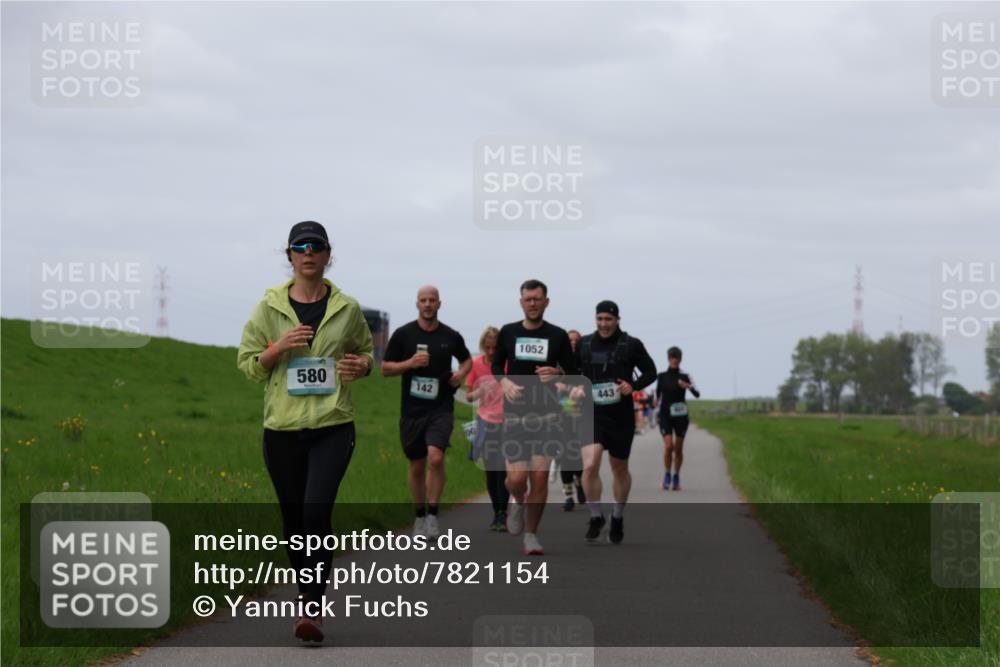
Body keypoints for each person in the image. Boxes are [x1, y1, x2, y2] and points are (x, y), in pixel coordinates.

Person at [237, 220, 374, 643]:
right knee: (295, 521)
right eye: (300, 246)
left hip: (333, 426)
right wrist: (278, 349)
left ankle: (312, 609)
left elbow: (365, 352)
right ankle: (304, 601)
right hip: (282, 428)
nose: (308, 253)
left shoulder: (347, 308)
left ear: (328, 254)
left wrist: (363, 366)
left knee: (316, 512)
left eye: (316, 246)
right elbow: (247, 365)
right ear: (290, 255)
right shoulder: (267, 309)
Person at [492, 279, 577, 555]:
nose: (532, 303)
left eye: (537, 299)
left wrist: (558, 373)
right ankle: (517, 500)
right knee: (516, 479)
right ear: (521, 302)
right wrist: (504, 382)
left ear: (546, 302)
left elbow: (575, 370)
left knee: (539, 477)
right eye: (528, 299)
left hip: (548, 417)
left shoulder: (558, 335)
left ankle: (531, 535)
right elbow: (495, 365)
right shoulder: (508, 332)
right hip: (516, 416)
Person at [382, 286, 472, 538]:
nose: (428, 304)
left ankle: (433, 515)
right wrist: (410, 363)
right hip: (412, 410)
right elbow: (385, 369)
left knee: (435, 457)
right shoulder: (403, 335)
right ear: (417, 304)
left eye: (432, 300)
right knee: (417, 464)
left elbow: (467, 360)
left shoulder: (450, 336)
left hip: (441, 408)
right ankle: (419, 515)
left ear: (439, 304)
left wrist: (460, 375)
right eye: (424, 300)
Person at [574, 301, 656, 544]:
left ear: (618, 320)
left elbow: (651, 372)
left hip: (620, 415)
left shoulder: (631, 344)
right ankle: (596, 515)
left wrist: (634, 386)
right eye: (599, 319)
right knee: (589, 466)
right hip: (592, 414)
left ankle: (618, 516)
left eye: (608, 319)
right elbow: (571, 372)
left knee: (619, 468)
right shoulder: (584, 344)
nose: (604, 324)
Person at [465, 326, 508, 530]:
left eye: (495, 348)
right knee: (491, 470)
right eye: (487, 348)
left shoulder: (506, 365)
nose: (491, 352)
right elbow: (469, 396)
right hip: (485, 420)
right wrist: (480, 390)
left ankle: (504, 513)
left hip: (507, 422)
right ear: (482, 346)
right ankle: (496, 512)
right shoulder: (476, 365)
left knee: (504, 471)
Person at [655, 346, 701, 491]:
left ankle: (676, 476)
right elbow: (657, 396)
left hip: (681, 416)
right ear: (668, 359)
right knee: (669, 446)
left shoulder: (685, 376)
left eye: (676, 358)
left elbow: (697, 393)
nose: (674, 360)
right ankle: (667, 474)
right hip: (665, 416)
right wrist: (655, 403)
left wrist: (687, 386)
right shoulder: (661, 376)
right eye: (672, 357)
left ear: (680, 359)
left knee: (678, 448)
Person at [557, 330, 586, 511]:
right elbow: (554, 387)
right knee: (564, 456)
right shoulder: (557, 364)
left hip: (582, 416)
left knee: (579, 455)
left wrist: (566, 387)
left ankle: (580, 482)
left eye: (577, 340)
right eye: (570, 340)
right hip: (561, 416)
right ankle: (568, 495)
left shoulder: (585, 364)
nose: (573, 343)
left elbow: (585, 391)